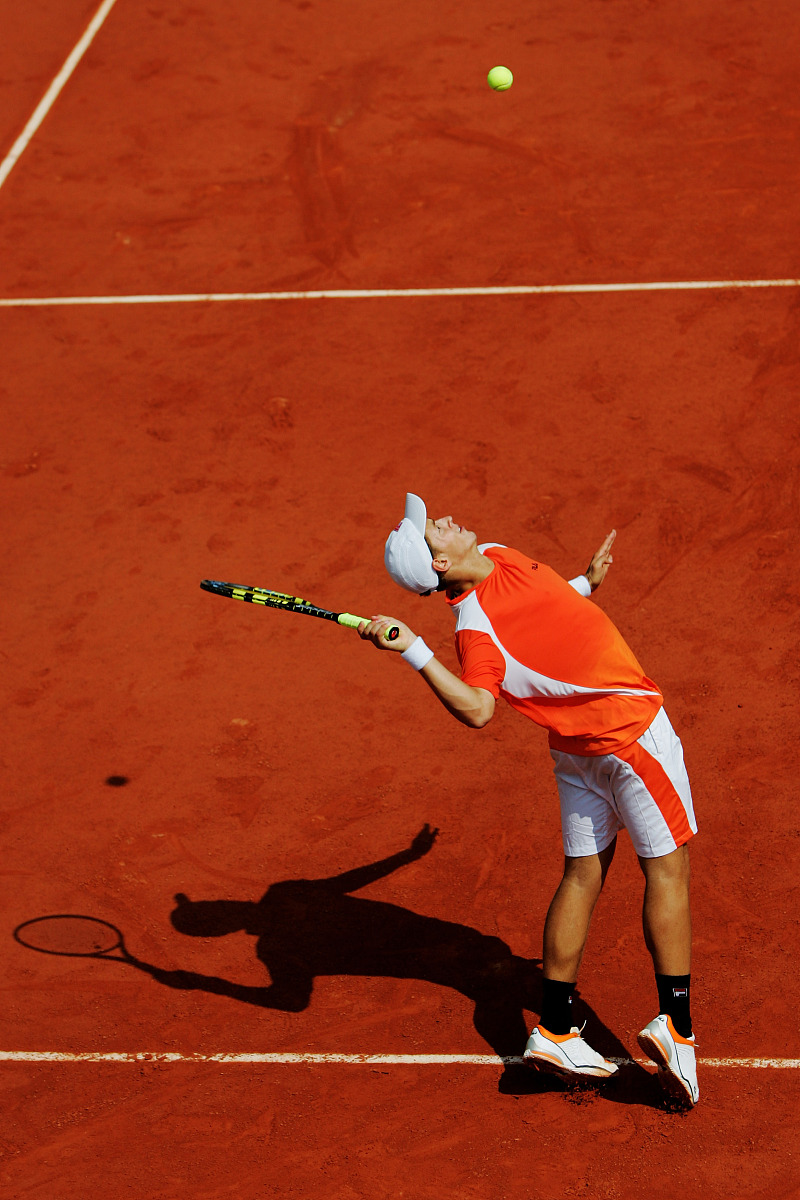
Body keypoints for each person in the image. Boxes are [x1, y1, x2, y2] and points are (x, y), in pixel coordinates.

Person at [358, 493, 699, 1107]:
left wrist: (584, 585)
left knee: (583, 875)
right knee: (668, 871)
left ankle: (557, 1030)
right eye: (433, 529)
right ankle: (676, 1027)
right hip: (630, 735)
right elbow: (478, 710)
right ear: (439, 565)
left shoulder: (496, 553)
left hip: (575, 754)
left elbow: (545, 605)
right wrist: (412, 649)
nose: (445, 518)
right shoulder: (474, 632)